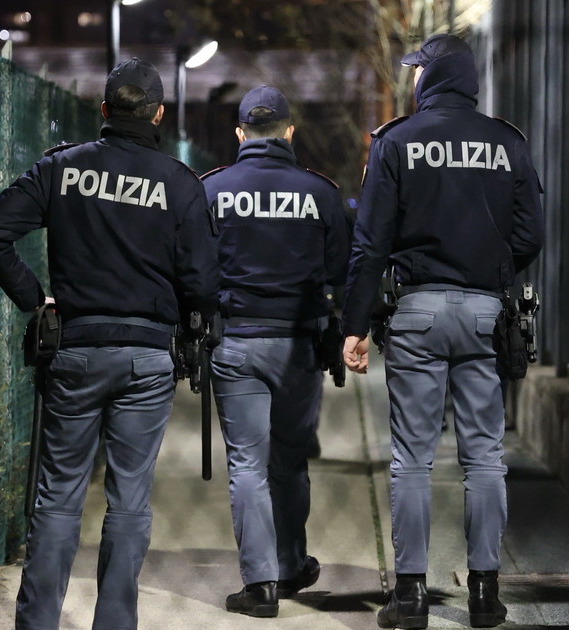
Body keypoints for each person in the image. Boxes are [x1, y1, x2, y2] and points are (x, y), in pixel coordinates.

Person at [0, 58, 218, 630]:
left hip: (76, 350)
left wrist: (38, 298)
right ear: (158, 114)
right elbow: (204, 284)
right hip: (147, 356)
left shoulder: (63, 168)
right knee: (129, 501)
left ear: (104, 110)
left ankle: (36, 623)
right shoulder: (179, 183)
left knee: (58, 499)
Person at [341, 34, 545, 629]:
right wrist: (490, 271)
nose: (410, 80)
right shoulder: (507, 142)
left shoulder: (396, 142)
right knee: (484, 456)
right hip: (485, 312)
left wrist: (354, 325)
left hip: (417, 312)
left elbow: (370, 243)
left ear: (431, 78)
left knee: (412, 457)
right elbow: (531, 235)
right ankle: (483, 593)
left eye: (415, 72)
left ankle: (410, 595)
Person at [200, 86, 351, 618]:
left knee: (247, 464)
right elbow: (341, 273)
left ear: (241, 134)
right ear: (290, 132)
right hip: (299, 345)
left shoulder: (211, 190)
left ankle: (259, 584)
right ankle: (291, 566)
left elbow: (191, 268)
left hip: (236, 340)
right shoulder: (320, 193)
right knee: (289, 459)